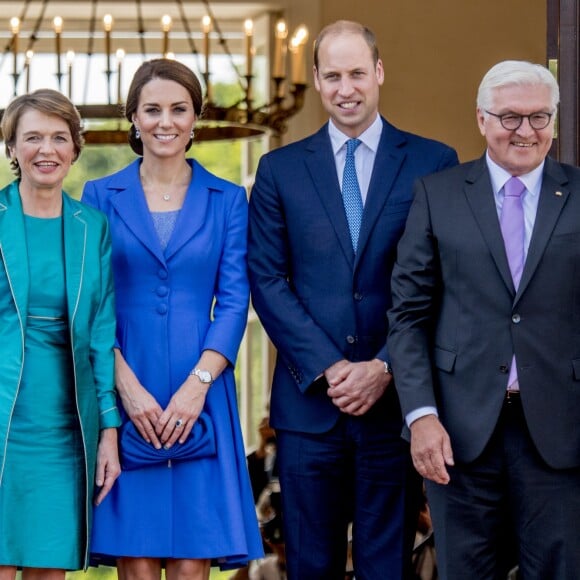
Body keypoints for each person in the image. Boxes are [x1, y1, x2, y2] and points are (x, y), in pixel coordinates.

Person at [247, 20, 458, 580]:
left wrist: (385, 366)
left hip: (395, 407)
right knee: (308, 564)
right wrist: (333, 367)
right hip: (308, 405)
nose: (347, 88)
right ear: (316, 80)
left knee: (386, 565)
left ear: (379, 73)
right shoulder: (279, 170)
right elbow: (267, 280)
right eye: (334, 75)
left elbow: (443, 280)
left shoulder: (432, 163)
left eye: (358, 73)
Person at [387, 60, 580, 579]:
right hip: (458, 434)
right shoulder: (438, 194)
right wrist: (420, 415)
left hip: (561, 433)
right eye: (510, 117)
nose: (526, 131)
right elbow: (407, 316)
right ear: (481, 119)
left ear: (555, 122)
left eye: (540, 117)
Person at [81, 58, 263, 579]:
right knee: (135, 558)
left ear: (195, 118)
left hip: (201, 394)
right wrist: (125, 390)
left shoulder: (229, 199)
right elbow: (92, 304)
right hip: (124, 389)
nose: (166, 121)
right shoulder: (99, 196)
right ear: (133, 119)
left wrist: (198, 384)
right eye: (152, 109)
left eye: (179, 109)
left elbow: (233, 301)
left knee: (192, 558)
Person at [0, 89, 121, 579]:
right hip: (4, 416)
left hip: (67, 427)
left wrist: (109, 430)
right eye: (32, 137)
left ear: (75, 148)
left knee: (50, 568)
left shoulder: (93, 227)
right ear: (11, 148)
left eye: (58, 137)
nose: (45, 149)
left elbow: (100, 333)